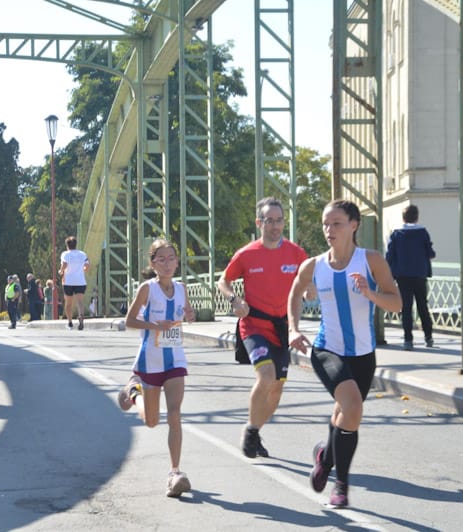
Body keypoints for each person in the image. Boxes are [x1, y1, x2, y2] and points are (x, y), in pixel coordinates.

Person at [287, 199, 401, 508]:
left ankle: (325, 456)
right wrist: (293, 329)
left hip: (363, 354)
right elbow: (295, 293)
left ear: (354, 225)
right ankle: (342, 486)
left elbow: (397, 303)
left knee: (345, 414)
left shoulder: (371, 260)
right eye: (325, 223)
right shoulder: (314, 265)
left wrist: (369, 292)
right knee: (352, 406)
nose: (329, 229)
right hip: (327, 350)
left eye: (336, 223)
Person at [216, 197, 308, 459]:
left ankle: (255, 430)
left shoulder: (296, 253)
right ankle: (251, 430)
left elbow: (308, 278)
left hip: (281, 328)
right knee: (266, 377)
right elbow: (223, 281)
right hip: (254, 325)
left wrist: (311, 287)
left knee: (276, 390)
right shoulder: (247, 254)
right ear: (259, 223)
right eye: (270, 221)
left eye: (279, 221)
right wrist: (235, 299)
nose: (275, 226)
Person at [117, 238, 196, 497]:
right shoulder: (147, 289)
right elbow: (129, 320)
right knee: (152, 421)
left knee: (175, 413)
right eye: (160, 259)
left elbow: (186, 311)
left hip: (175, 360)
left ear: (177, 261)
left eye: (171, 258)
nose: (166, 263)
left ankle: (175, 473)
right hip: (150, 360)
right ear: (153, 264)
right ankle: (133, 392)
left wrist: (190, 315)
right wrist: (155, 326)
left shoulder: (182, 288)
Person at [385, 204, 436, 350]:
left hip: (402, 276)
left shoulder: (396, 234)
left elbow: (390, 256)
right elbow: (430, 253)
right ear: (417, 217)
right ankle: (428, 337)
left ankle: (408, 339)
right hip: (420, 274)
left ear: (403, 218)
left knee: (406, 308)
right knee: (422, 306)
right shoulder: (423, 232)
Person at [60, 236, 90, 330]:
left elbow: (64, 264)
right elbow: (87, 265)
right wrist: (83, 270)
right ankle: (81, 317)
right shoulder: (82, 254)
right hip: (80, 281)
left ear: (67, 245)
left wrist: (61, 271)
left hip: (68, 281)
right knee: (80, 302)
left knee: (68, 303)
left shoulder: (65, 254)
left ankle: (70, 322)